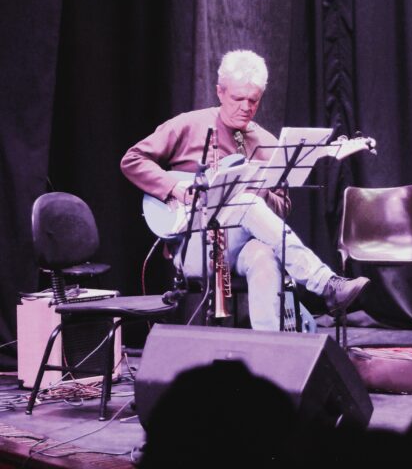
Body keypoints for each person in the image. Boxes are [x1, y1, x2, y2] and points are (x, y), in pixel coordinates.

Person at [122, 49, 369, 330]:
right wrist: (175, 187)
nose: (246, 107)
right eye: (237, 98)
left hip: (238, 246)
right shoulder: (188, 124)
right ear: (220, 92)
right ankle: (324, 283)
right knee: (247, 204)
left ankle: (269, 350)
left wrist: (261, 191)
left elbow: (282, 208)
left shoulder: (266, 141)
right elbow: (132, 160)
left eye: (253, 100)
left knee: (264, 255)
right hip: (194, 245)